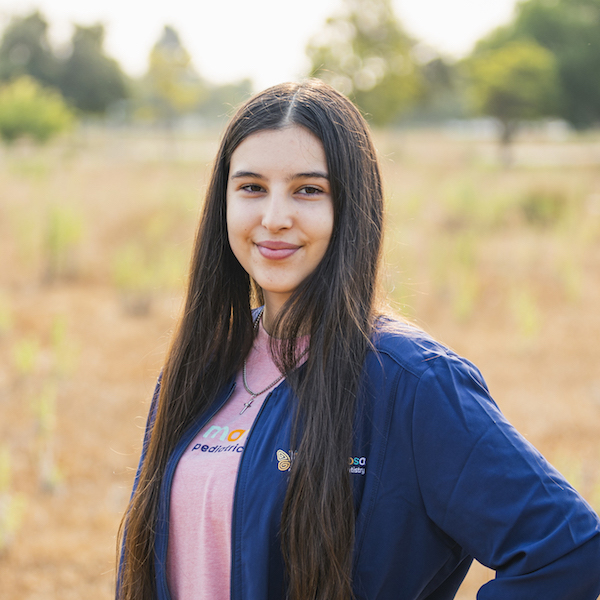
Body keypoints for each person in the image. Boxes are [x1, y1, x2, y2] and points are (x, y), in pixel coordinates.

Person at [116, 80, 600, 600]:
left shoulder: (412, 382)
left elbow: (568, 553)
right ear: (223, 203)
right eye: (252, 187)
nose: (274, 217)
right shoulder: (202, 365)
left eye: (308, 190)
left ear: (351, 208)